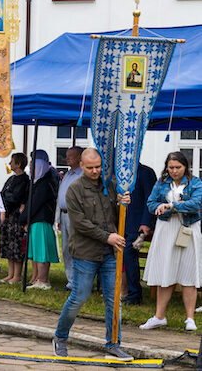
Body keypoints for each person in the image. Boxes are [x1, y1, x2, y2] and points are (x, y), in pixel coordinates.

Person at [53, 148, 133, 361]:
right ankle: (60, 337)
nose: (95, 171)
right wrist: (108, 237)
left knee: (113, 300)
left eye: (98, 166)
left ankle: (113, 343)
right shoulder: (74, 189)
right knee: (78, 297)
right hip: (85, 252)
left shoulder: (109, 186)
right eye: (90, 168)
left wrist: (122, 203)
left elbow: (117, 215)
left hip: (109, 253)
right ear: (81, 165)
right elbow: (80, 223)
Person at [140, 151, 202, 331]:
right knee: (165, 271)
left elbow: (196, 204)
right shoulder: (160, 183)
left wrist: (173, 205)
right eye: (171, 167)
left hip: (188, 229)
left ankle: (190, 318)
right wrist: (159, 206)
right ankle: (159, 316)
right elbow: (150, 202)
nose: (174, 171)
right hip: (166, 228)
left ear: (185, 167)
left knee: (188, 272)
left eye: (178, 167)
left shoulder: (195, 183)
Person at [20, 150, 59, 290]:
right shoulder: (39, 182)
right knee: (36, 251)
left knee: (41, 252)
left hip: (41, 220)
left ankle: (43, 280)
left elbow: (34, 204)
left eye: (33, 167)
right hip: (36, 220)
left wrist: (23, 218)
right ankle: (37, 278)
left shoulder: (45, 183)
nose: (31, 170)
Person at [123, 163, 156, 305]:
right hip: (122, 222)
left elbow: (151, 199)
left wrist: (146, 223)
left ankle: (134, 294)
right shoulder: (121, 174)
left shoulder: (145, 173)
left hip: (137, 223)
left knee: (129, 255)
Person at [0, 152, 30, 284]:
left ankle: (17, 275)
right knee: (8, 245)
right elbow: (2, 193)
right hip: (7, 215)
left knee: (16, 246)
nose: (10, 163)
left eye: (12, 161)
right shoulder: (11, 179)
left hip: (16, 217)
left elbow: (16, 197)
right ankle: (10, 274)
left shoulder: (24, 180)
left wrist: (7, 198)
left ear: (18, 164)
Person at [56, 146, 83, 290]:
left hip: (75, 215)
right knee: (66, 248)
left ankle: (78, 281)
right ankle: (70, 281)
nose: (67, 158)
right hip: (64, 214)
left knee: (75, 248)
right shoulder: (67, 175)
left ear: (79, 157)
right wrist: (58, 219)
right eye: (66, 156)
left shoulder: (82, 175)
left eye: (70, 156)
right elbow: (60, 196)